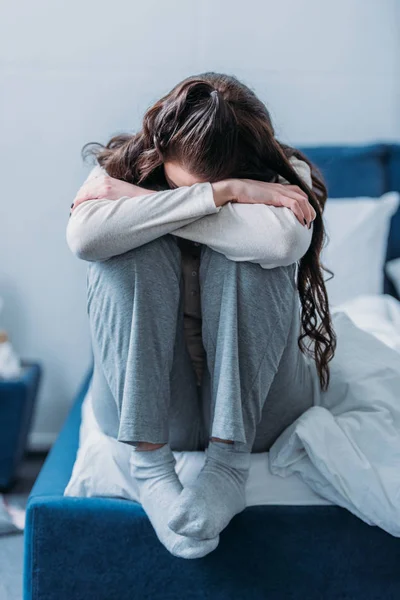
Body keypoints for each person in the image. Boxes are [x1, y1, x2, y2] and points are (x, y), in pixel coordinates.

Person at [66, 72, 336, 559]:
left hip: (260, 408)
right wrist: (224, 194)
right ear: (160, 149)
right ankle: (149, 467)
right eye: (177, 183)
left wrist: (144, 205)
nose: (208, 193)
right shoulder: (124, 163)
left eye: (224, 184)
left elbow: (278, 242)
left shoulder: (283, 173)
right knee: (129, 254)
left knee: (252, 263)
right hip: (151, 402)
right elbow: (84, 239)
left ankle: (227, 467)